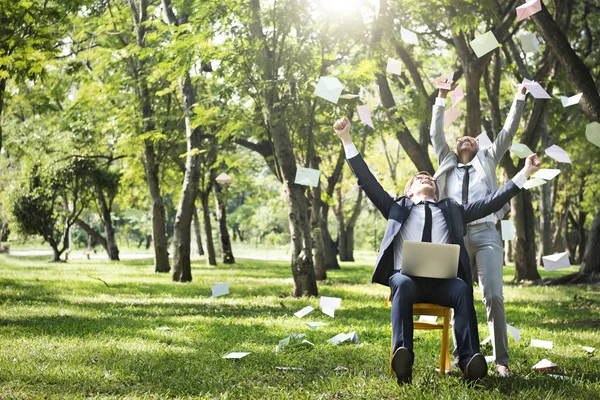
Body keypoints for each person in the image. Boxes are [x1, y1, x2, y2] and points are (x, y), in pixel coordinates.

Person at [332, 116, 540, 385]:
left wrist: (525, 174)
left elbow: (491, 202)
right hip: (407, 281)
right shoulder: (397, 208)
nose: (426, 177)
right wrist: (347, 139)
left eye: (429, 177)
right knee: (403, 283)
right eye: (420, 177)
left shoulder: (452, 210)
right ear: (409, 191)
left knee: (463, 289)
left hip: (443, 284)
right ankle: (403, 356)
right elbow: (367, 180)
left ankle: (468, 360)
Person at [431, 83, 527, 377]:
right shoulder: (446, 161)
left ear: (478, 147)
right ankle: (463, 356)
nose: (466, 140)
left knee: (493, 296)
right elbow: (436, 134)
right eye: (461, 138)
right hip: (454, 237)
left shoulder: (487, 158)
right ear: (455, 147)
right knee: (459, 296)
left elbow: (507, 134)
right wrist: (441, 97)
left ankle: (501, 361)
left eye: (471, 139)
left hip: (486, 233)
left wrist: (520, 96)